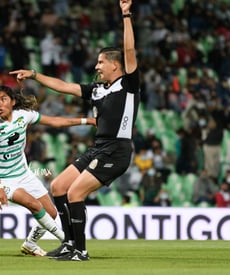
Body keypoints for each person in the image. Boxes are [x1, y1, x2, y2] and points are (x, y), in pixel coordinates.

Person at [9, 0, 138, 261]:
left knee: (75, 193)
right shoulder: (97, 89)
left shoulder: (129, 84)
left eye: (101, 62)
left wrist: (126, 14)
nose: (97, 66)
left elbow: (129, 48)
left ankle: (81, 250)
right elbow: (64, 86)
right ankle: (69, 243)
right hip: (98, 147)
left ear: (116, 65)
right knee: (57, 186)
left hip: (117, 150)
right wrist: (34, 75)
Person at [0, 85, 95, 257]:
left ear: (12, 101)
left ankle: (30, 244)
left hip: (24, 174)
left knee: (51, 212)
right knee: (34, 204)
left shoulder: (23, 116)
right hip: (3, 179)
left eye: (3, 99)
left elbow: (55, 122)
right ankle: (68, 242)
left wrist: (88, 121)